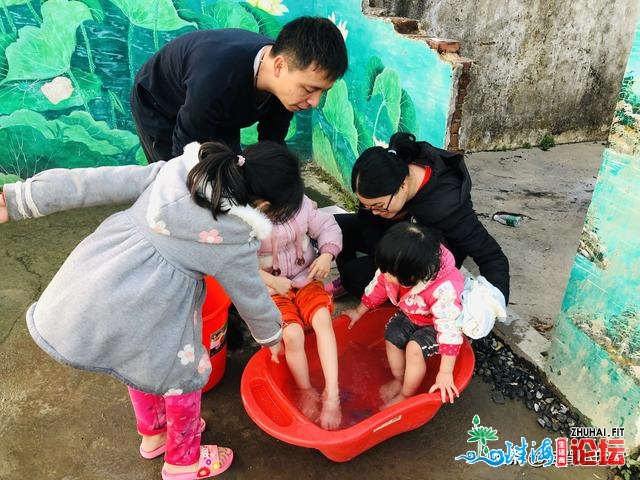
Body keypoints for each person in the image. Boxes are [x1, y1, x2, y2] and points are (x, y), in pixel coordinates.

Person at [0, 140, 305, 480]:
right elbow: (252, 299)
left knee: (139, 360)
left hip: (104, 273)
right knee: (184, 377)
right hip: (155, 303)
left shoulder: (176, 173)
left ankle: (154, 433)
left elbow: (96, 182)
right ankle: (183, 461)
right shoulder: (233, 238)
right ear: (262, 204)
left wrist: (20, 200)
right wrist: (272, 336)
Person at [130, 16, 348, 162]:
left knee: (231, 169)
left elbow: (272, 144)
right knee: (177, 178)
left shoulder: (286, 86)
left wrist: (286, 195)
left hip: (217, 106)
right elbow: (186, 153)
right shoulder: (216, 77)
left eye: (323, 91)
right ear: (280, 66)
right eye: (310, 89)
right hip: (159, 102)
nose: (315, 101)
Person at [328, 132, 510, 304]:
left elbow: (492, 257)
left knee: (354, 277)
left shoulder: (447, 206)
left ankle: (406, 299)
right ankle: (368, 281)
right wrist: (382, 255)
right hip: (397, 237)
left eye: (378, 206)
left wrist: (491, 310)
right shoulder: (394, 164)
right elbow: (366, 218)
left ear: (403, 185)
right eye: (367, 205)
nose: (372, 210)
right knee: (333, 227)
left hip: (423, 258)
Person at [343, 223, 465, 408]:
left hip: (436, 324)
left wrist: (445, 373)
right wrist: (359, 311)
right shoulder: (392, 269)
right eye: (383, 269)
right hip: (412, 314)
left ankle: (406, 394)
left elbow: (449, 328)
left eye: (390, 274)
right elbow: (378, 287)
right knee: (391, 335)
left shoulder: (444, 289)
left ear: (415, 276)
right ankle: (399, 379)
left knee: (414, 349)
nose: (385, 275)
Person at [257, 195, 343, 429]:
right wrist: (272, 282)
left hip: (306, 278)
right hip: (270, 290)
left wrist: (327, 254)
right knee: (292, 334)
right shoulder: (244, 220)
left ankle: (332, 392)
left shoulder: (300, 204)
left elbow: (327, 226)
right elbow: (237, 264)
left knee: (322, 319)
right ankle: (306, 389)